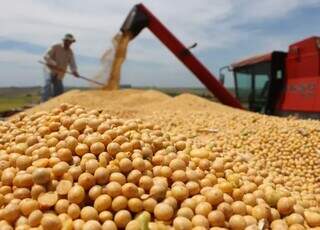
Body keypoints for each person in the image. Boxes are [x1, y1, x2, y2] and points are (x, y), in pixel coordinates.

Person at [41, 33, 79, 101]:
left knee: (59, 90)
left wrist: (74, 71)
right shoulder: (56, 47)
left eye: (70, 42)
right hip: (49, 69)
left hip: (60, 73)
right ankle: (43, 102)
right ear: (64, 41)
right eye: (68, 41)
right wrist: (54, 64)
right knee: (48, 84)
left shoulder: (70, 52)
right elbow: (46, 56)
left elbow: (72, 64)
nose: (69, 43)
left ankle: (56, 105)